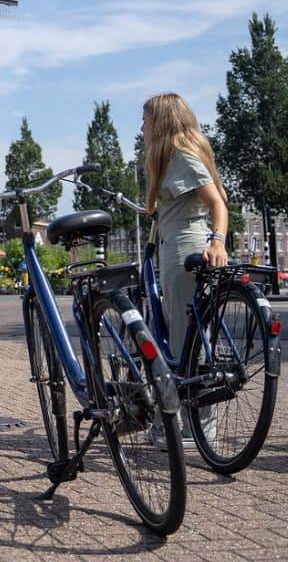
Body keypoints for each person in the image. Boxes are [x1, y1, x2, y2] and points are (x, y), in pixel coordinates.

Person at [143, 92, 227, 446]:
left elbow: (217, 202)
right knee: (184, 337)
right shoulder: (171, 158)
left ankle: (197, 430)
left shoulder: (182, 156)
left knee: (186, 341)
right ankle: (179, 424)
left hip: (185, 251)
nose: (142, 127)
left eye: (145, 120)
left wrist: (218, 241)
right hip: (172, 247)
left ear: (161, 122)